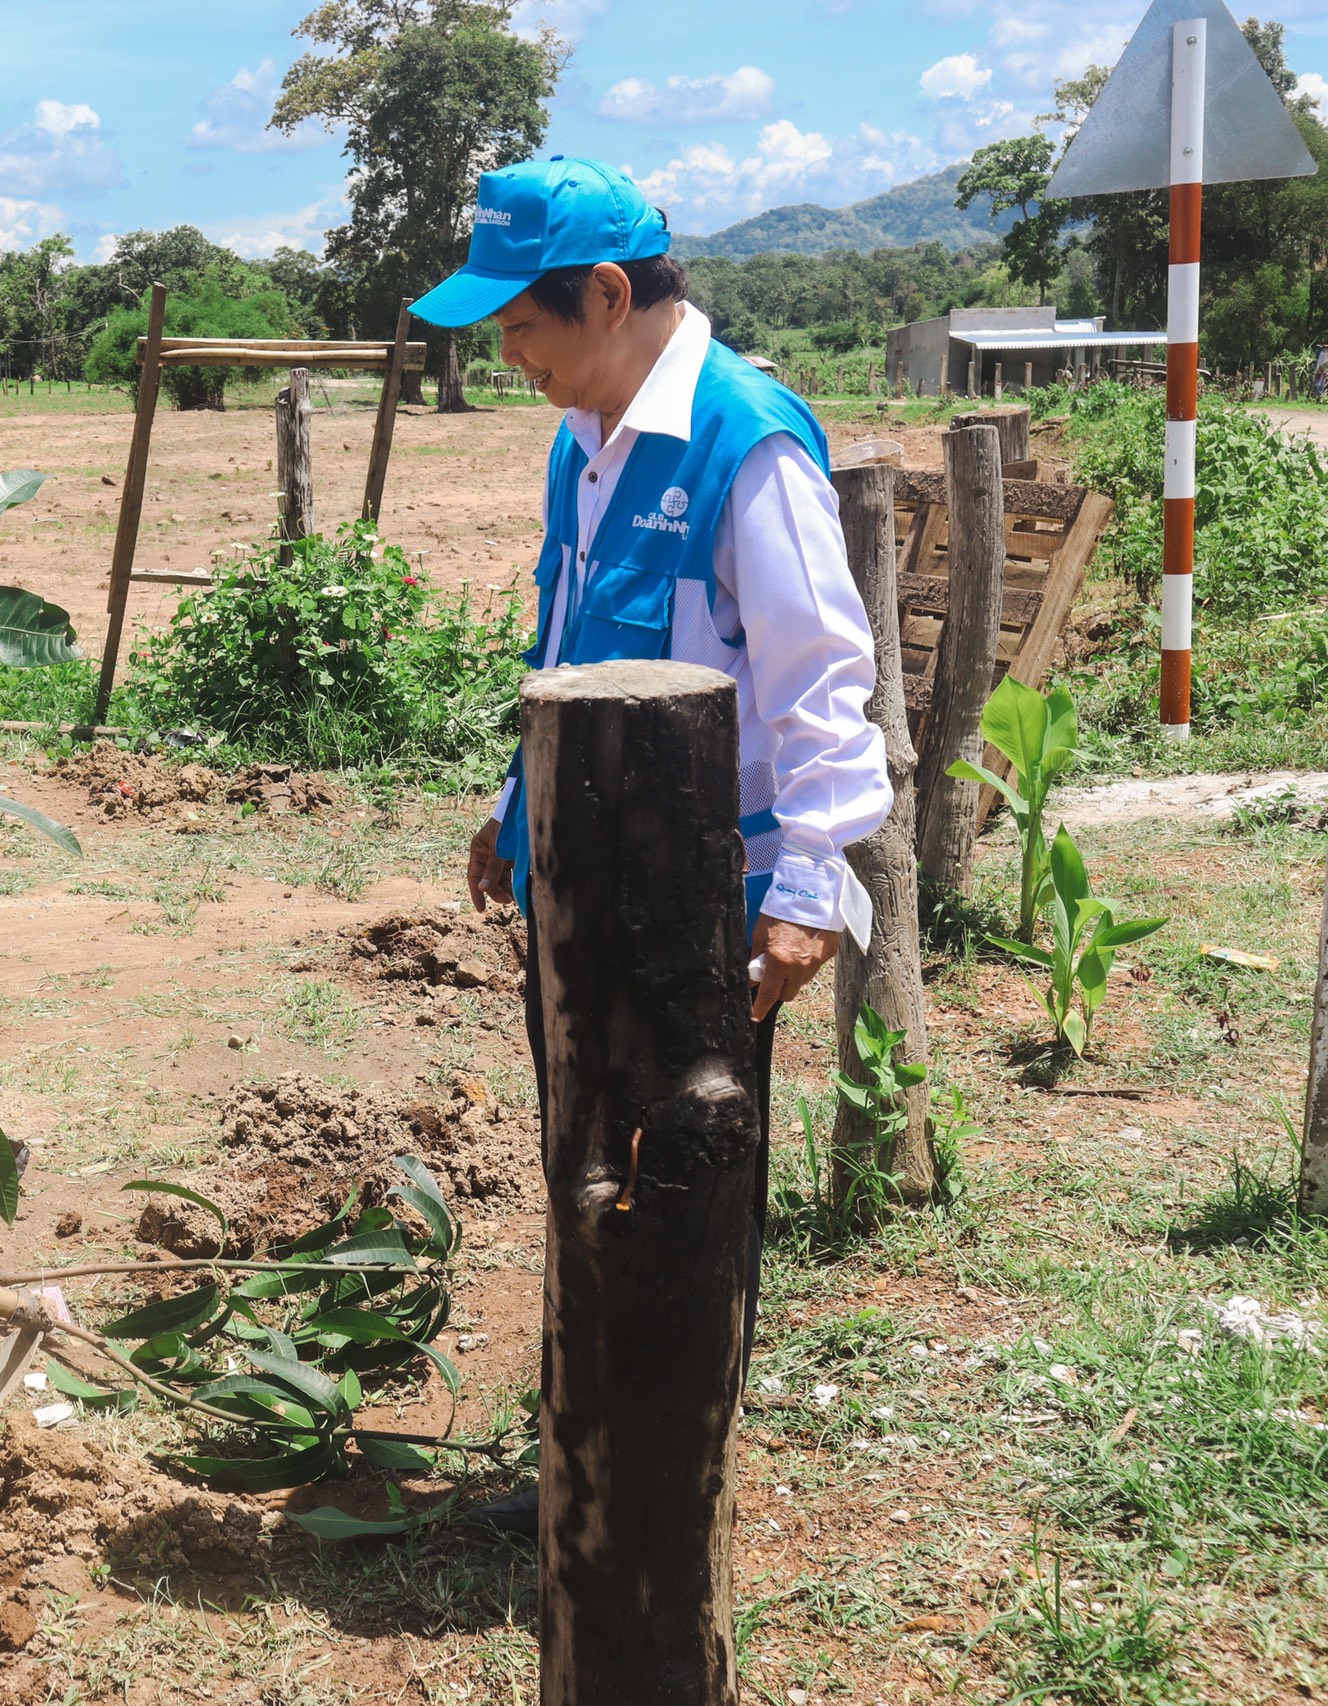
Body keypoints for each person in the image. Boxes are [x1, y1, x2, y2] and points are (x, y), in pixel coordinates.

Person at [420, 156, 893, 1536]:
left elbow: (821, 682)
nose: (509, 355)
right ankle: (587, 1468)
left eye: (522, 325)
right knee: (586, 1172)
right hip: (586, 897)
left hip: (708, 912)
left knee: (678, 1183)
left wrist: (808, 889)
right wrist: (520, 809)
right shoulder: (585, 442)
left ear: (610, 296)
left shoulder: (747, 441)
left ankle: (666, 1499)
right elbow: (569, 646)